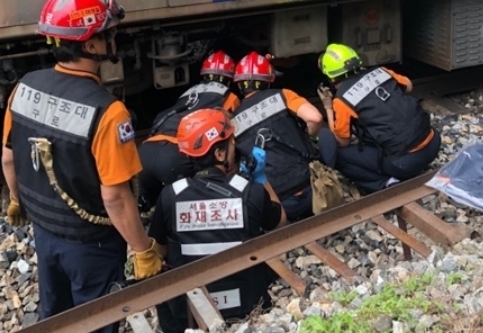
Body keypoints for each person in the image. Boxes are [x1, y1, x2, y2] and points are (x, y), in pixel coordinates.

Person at [1, 0, 163, 333]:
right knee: (96, 320)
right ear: (90, 45)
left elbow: (9, 159)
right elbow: (115, 197)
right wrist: (142, 249)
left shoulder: (23, 87)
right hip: (93, 245)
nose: (113, 39)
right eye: (108, 34)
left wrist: (17, 201)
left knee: (56, 316)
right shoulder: (109, 112)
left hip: (45, 234)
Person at [147, 108, 286, 332]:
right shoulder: (250, 191)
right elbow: (280, 223)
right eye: (232, 143)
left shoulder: (170, 195)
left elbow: (159, 251)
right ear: (220, 154)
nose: (235, 148)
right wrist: (261, 178)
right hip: (247, 304)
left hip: (189, 311)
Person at [316, 43, 441, 194]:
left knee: (339, 155)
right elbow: (408, 86)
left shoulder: (342, 99)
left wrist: (328, 107)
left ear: (331, 75)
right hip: (433, 144)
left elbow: (342, 142)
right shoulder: (380, 71)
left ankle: (385, 183)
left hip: (404, 164)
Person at [138, 51, 240, 211]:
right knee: (189, 209)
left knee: (150, 212)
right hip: (175, 155)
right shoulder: (229, 97)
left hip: (145, 151)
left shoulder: (189, 92)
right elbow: (231, 131)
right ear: (230, 77)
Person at [231, 52, 323, 221]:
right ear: (268, 81)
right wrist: (312, 138)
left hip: (280, 203)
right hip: (313, 188)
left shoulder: (232, 122)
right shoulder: (283, 95)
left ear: (240, 85)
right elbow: (315, 118)